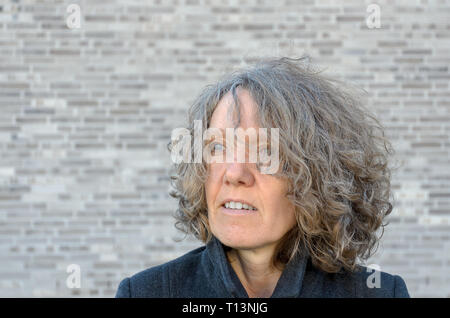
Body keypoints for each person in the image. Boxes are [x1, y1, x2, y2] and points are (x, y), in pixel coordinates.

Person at [115, 57, 410, 298]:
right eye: (217, 147)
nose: (234, 173)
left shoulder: (380, 294)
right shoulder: (144, 293)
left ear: (319, 179)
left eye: (265, 152)